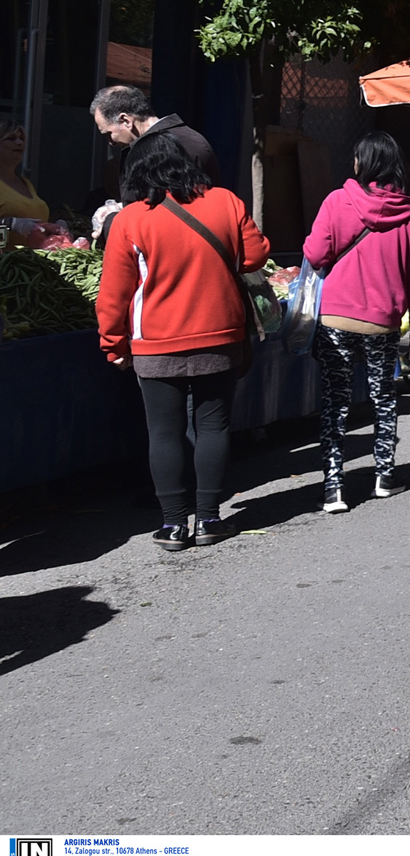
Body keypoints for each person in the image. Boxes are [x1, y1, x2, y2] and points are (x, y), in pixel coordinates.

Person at [96, 138, 269, 551]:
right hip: (221, 333)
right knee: (213, 426)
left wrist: (113, 344)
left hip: (155, 342)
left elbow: (114, 293)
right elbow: (255, 257)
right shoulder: (226, 201)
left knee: (164, 432)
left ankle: (174, 525)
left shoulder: (131, 219)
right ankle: (210, 518)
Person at [302, 131, 410, 512]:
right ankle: (385, 476)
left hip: (336, 316)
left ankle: (333, 489)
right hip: (383, 322)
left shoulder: (337, 201)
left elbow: (314, 253)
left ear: (363, 163)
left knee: (336, 402)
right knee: (384, 398)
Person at [90, 85, 222, 187]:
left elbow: (150, 209)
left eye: (109, 134)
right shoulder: (193, 138)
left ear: (126, 120)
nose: (110, 142)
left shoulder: (153, 152)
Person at [1, 121, 50, 240]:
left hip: (30, 257)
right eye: (11, 138)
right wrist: (9, 224)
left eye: (22, 138)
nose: (19, 142)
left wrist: (52, 227)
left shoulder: (26, 183)